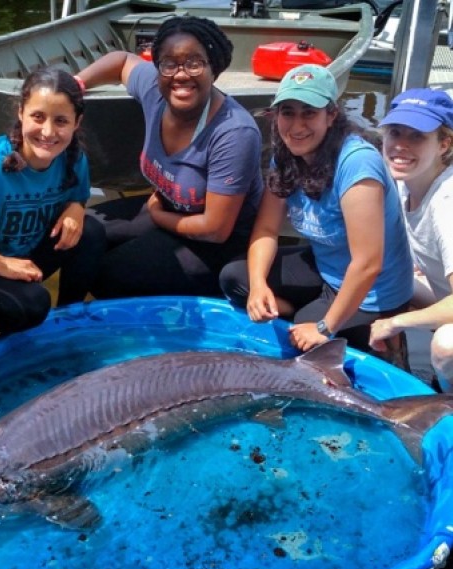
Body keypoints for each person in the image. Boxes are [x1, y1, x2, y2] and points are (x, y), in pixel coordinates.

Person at [219, 64, 413, 355]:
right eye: (288, 112)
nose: (297, 126)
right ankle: (311, 314)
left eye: (309, 112)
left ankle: (373, 334)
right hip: (325, 268)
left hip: (373, 293)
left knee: (303, 335)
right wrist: (259, 287)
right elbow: (267, 229)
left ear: (331, 115)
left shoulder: (357, 163)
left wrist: (324, 327)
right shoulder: (285, 156)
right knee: (235, 278)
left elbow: (368, 263)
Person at [76, 15, 263, 298]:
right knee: (81, 233)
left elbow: (215, 229)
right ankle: (63, 319)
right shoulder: (156, 90)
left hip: (217, 244)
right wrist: (75, 83)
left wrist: (156, 214)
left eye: (194, 62)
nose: (180, 74)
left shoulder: (234, 132)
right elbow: (123, 61)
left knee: (110, 274)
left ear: (215, 67)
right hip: (170, 209)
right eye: (169, 63)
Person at [0, 67, 106, 333]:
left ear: (77, 123)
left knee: (90, 232)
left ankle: (68, 322)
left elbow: (78, 196)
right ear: (21, 113)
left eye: (61, 121)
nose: (47, 132)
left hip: (21, 257)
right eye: (38, 117)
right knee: (32, 304)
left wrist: (76, 207)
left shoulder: (72, 158)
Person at [369, 88, 453, 390]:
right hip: (442, 292)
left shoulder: (446, 203)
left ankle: (445, 408)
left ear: (444, 144)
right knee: (386, 272)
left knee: (447, 345)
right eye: (395, 133)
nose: (401, 146)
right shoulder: (407, 184)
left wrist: (395, 322)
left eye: (417, 136)